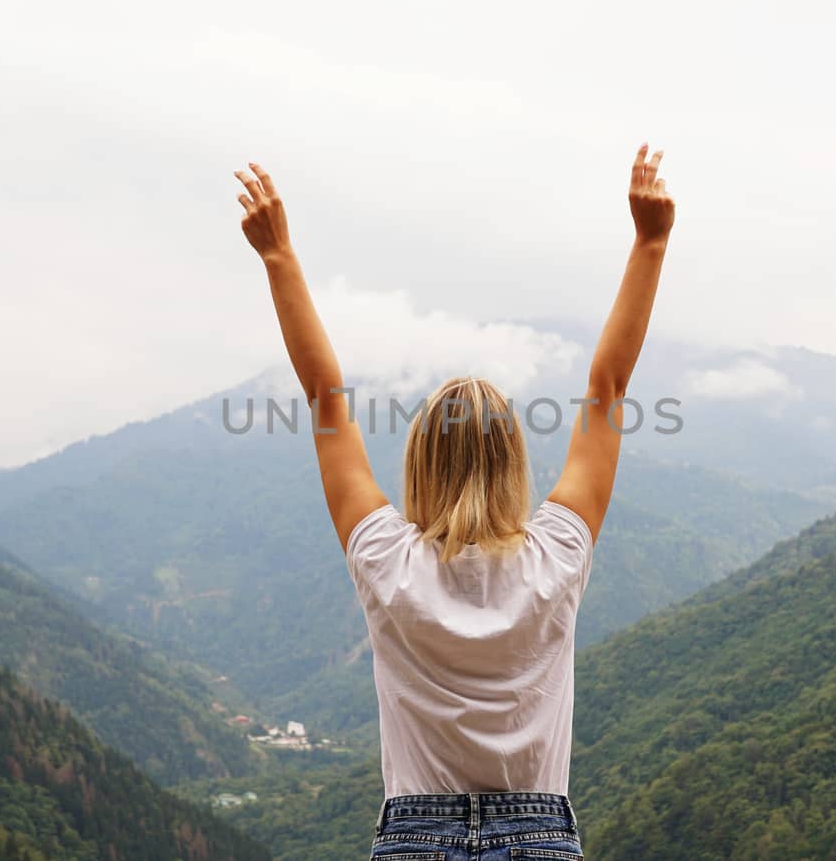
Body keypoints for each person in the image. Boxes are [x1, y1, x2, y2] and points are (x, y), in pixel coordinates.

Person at [234, 143, 674, 860]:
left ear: (419, 463)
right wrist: (650, 242)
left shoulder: (385, 559)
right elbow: (607, 390)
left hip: (414, 838)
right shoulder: (557, 555)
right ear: (513, 464)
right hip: (540, 840)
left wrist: (278, 256)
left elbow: (324, 399)